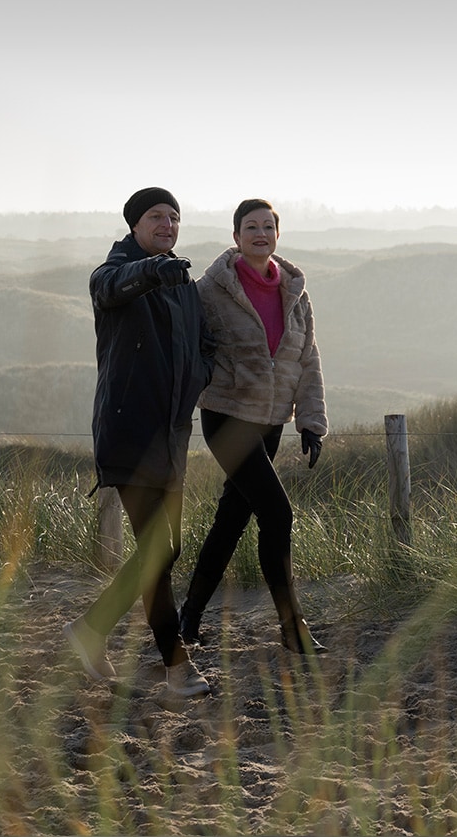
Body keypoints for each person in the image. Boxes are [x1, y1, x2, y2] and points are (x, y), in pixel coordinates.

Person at [64, 186, 216, 697]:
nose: (167, 224)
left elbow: (201, 341)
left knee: (164, 550)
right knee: (158, 549)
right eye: (156, 216)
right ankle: (176, 667)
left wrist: (204, 369)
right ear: (134, 224)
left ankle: (92, 630)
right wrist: (153, 271)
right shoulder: (114, 274)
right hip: (130, 433)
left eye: (174, 217)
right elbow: (114, 287)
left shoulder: (183, 281)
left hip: (172, 438)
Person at [179, 198, 329, 654]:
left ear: (277, 235)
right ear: (236, 236)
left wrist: (311, 421)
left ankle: (188, 617)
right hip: (226, 415)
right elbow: (191, 348)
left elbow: (308, 359)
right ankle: (292, 627)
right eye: (251, 227)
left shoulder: (296, 292)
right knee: (278, 513)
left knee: (232, 518)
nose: (260, 234)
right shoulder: (210, 289)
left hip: (270, 420)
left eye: (268, 226)